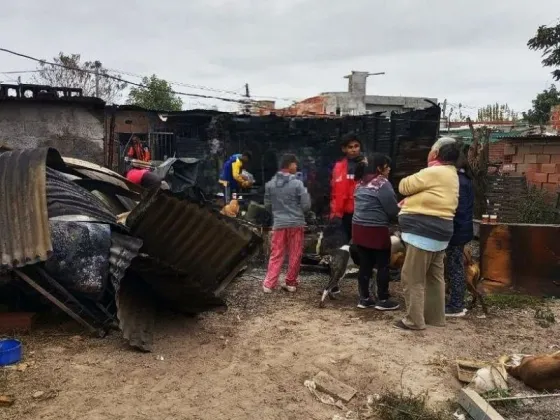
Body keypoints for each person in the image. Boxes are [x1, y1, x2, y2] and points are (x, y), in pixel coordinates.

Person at [394, 137, 460, 331]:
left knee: (412, 277)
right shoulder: (451, 173)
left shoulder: (434, 172)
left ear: (436, 153)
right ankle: (435, 317)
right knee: (434, 276)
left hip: (423, 233)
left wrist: (411, 197)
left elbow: (404, 186)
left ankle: (414, 320)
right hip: (441, 233)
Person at [352, 153, 401, 311]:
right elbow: (392, 210)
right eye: (387, 166)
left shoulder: (360, 182)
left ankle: (364, 298)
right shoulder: (382, 183)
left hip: (358, 229)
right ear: (379, 168)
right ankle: (383, 299)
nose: (389, 169)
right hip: (376, 230)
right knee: (383, 265)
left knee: (365, 265)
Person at [263, 154, 311, 293]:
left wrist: (278, 213)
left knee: (277, 253)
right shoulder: (297, 183)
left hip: (279, 224)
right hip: (296, 224)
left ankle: (269, 284)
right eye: (295, 164)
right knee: (295, 253)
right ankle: (290, 283)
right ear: (289, 165)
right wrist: (297, 211)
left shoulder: (270, 184)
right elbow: (306, 205)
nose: (296, 167)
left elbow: (267, 205)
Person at [445, 152, 475, 317]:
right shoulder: (466, 179)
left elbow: (459, 210)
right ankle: (456, 301)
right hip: (463, 229)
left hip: (457, 231)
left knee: (455, 267)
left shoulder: (458, 182)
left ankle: (456, 305)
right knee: (454, 266)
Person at [330, 133, 365, 240]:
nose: (354, 150)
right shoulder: (339, 167)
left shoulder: (367, 164)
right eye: (350, 147)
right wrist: (335, 213)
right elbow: (335, 191)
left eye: (356, 146)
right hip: (345, 213)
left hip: (362, 211)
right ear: (344, 149)